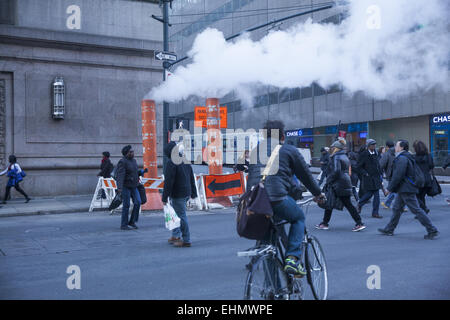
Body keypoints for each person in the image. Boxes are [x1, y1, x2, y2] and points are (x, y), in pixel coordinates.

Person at [247, 120, 325, 277]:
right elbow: (306, 176)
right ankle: (292, 259)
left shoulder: (255, 151)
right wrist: (318, 194)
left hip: (255, 202)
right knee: (298, 218)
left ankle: (273, 291)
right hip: (277, 198)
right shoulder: (288, 149)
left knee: (268, 245)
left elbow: (251, 178)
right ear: (282, 136)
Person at [378, 140, 439, 239]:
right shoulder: (406, 156)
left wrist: (389, 188)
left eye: (397, 146)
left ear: (402, 148)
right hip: (405, 188)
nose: (395, 147)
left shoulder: (402, 158)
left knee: (416, 210)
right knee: (397, 209)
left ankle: (432, 229)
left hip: (406, 188)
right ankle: (389, 229)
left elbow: (398, 175)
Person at [316, 140, 366, 231]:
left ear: (336, 148)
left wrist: (329, 180)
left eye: (332, 148)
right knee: (331, 203)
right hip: (344, 182)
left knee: (341, 203)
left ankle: (359, 223)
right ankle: (325, 223)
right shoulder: (344, 156)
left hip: (338, 183)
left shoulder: (336, 157)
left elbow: (336, 171)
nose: (331, 149)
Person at [162, 141, 198, 248]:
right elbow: (191, 176)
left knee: (181, 216)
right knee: (176, 214)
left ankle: (186, 239)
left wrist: (164, 197)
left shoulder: (171, 162)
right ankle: (176, 235)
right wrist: (193, 192)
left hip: (178, 193)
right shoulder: (184, 159)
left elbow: (169, 182)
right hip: (186, 192)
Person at [116, 145, 141, 230]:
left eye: (133, 151)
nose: (133, 153)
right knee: (126, 205)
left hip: (134, 186)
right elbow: (120, 175)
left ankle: (132, 221)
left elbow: (135, 172)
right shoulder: (122, 162)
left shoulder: (134, 161)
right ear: (126, 153)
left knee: (138, 202)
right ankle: (124, 224)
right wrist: (119, 187)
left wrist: (140, 172)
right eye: (131, 152)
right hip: (125, 186)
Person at [357, 139, 383, 218]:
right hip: (368, 177)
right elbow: (358, 167)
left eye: (374, 144)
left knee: (376, 195)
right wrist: (365, 173)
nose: (374, 146)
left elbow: (378, 165)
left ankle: (375, 212)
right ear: (368, 146)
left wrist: (380, 173)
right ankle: (360, 204)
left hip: (376, 177)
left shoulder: (376, 153)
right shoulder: (364, 154)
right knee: (369, 194)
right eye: (372, 144)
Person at [413, 140, 434, 213]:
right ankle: (422, 211)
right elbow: (431, 166)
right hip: (427, 178)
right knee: (422, 196)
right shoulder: (428, 156)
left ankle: (424, 208)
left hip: (418, 178)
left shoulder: (414, 157)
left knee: (416, 196)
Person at [380, 140, 396, 209]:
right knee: (394, 189)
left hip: (391, 173)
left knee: (394, 189)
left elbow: (381, 164)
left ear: (387, 146)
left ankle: (401, 205)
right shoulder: (398, 152)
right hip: (399, 173)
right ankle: (387, 204)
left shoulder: (387, 154)